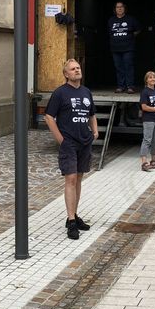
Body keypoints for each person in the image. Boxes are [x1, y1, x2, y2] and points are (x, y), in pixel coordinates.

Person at [44, 59, 99, 240]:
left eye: (78, 68)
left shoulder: (86, 92)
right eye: (73, 69)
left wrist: (95, 131)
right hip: (69, 143)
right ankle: (71, 222)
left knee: (79, 178)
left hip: (85, 142)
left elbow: (92, 114)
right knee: (71, 178)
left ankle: (74, 215)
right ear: (66, 74)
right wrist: (60, 139)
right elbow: (49, 117)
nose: (77, 70)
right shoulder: (60, 93)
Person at [107, 1, 141, 93]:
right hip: (115, 48)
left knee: (128, 66)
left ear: (124, 8)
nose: (120, 8)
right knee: (118, 68)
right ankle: (120, 86)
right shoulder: (111, 20)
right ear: (115, 9)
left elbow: (138, 29)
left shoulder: (131, 19)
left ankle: (130, 87)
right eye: (117, 7)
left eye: (121, 7)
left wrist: (130, 36)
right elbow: (110, 32)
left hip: (128, 48)